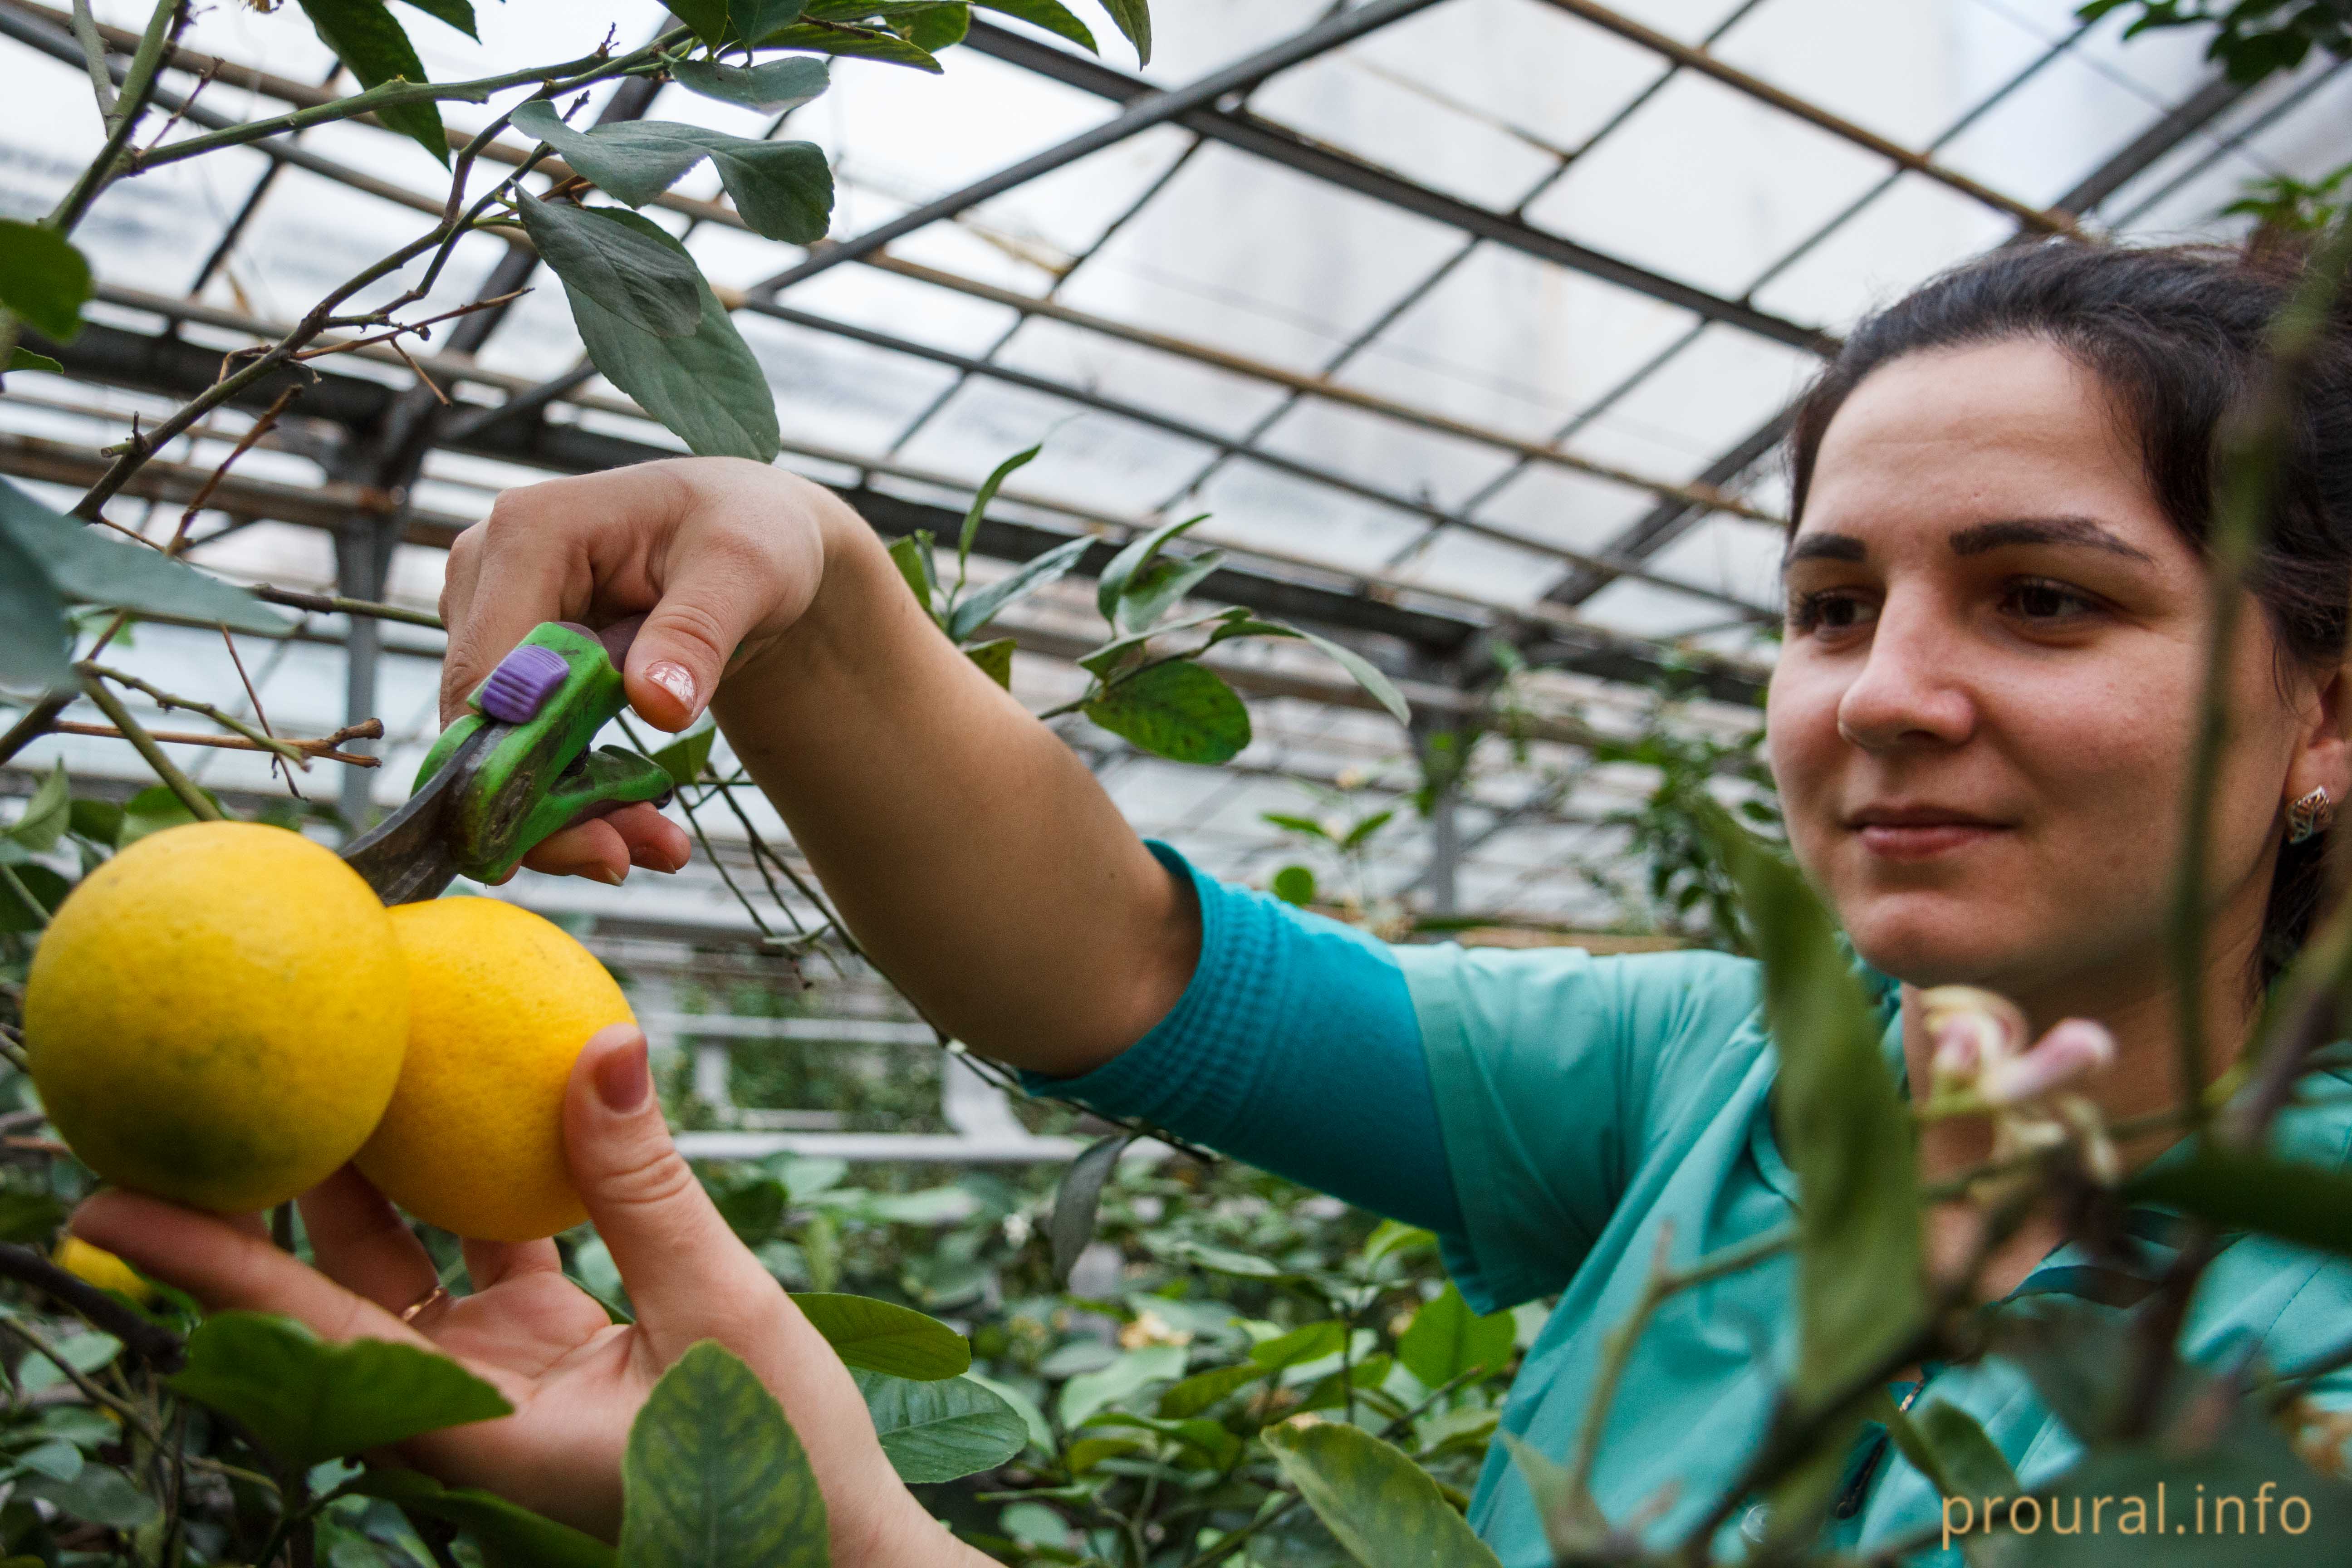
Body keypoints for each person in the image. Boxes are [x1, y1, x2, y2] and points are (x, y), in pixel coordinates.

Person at [73, 239, 2352, 1564]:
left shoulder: (2298, 1379)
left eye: (2048, 603)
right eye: (1833, 605)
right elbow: (1148, 974)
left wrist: (830, 1528)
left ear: (2326, 715)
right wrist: (807, 583)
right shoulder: (1738, 1073)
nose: (1888, 697)